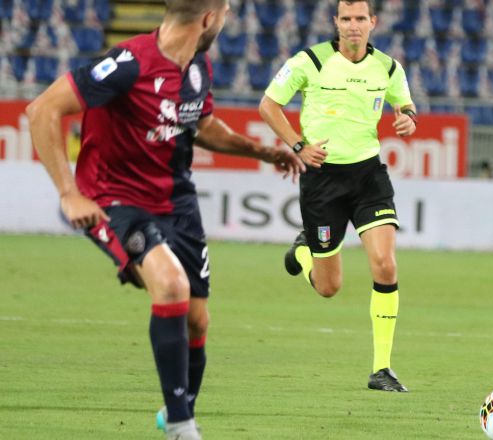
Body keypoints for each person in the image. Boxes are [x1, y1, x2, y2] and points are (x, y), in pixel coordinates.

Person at [26, 1, 303, 439]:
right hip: (115, 201)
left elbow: (204, 127)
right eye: (226, 14)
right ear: (210, 18)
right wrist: (68, 193)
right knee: (171, 284)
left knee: (197, 320)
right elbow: (42, 110)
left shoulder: (196, 68)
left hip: (177, 202)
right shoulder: (129, 64)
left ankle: (176, 410)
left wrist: (262, 151)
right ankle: (181, 425)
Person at [259, 0, 417, 392]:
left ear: (372, 23)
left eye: (360, 18)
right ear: (336, 22)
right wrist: (297, 146)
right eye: (345, 19)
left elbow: (406, 104)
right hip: (322, 180)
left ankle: (382, 369)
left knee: (385, 265)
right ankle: (302, 250)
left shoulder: (389, 66)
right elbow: (268, 105)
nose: (353, 26)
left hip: (368, 177)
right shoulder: (309, 61)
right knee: (329, 288)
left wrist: (407, 118)